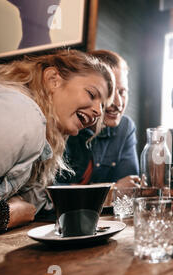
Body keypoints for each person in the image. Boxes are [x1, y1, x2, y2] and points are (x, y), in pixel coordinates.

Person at [0, 49, 115, 236]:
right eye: (92, 94)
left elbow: (33, 199)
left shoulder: (40, 133)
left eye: (102, 105)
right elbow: (22, 210)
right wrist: (6, 216)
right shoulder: (23, 116)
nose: (99, 112)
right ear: (54, 80)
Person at [56, 50, 140, 189]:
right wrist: (111, 191)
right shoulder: (64, 123)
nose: (118, 104)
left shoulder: (124, 128)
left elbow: (128, 188)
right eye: (110, 92)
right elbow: (45, 192)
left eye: (122, 92)